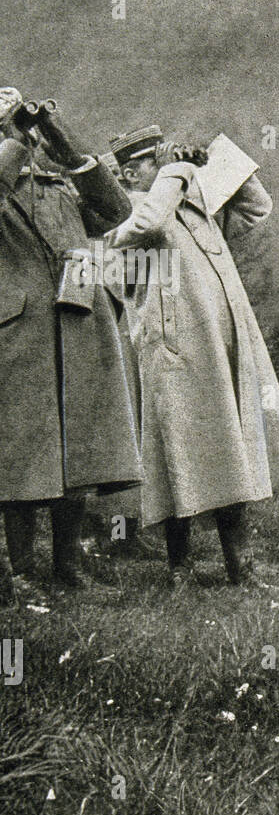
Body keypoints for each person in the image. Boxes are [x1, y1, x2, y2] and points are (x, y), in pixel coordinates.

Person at [108, 126, 279, 585]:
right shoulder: (124, 216)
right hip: (173, 352)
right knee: (178, 455)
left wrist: (215, 158)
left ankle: (241, 566)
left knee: (229, 453)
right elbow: (150, 224)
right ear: (126, 174)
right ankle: (180, 569)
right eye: (147, 164)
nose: (159, 169)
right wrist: (176, 170)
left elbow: (258, 208)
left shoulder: (187, 203)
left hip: (220, 348)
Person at [0, 87, 141, 589]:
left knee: (77, 450)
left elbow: (117, 210)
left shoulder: (55, 186)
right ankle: (22, 571)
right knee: (21, 455)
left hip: (78, 325)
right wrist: (13, 142)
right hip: (18, 338)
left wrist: (69, 149)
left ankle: (67, 567)